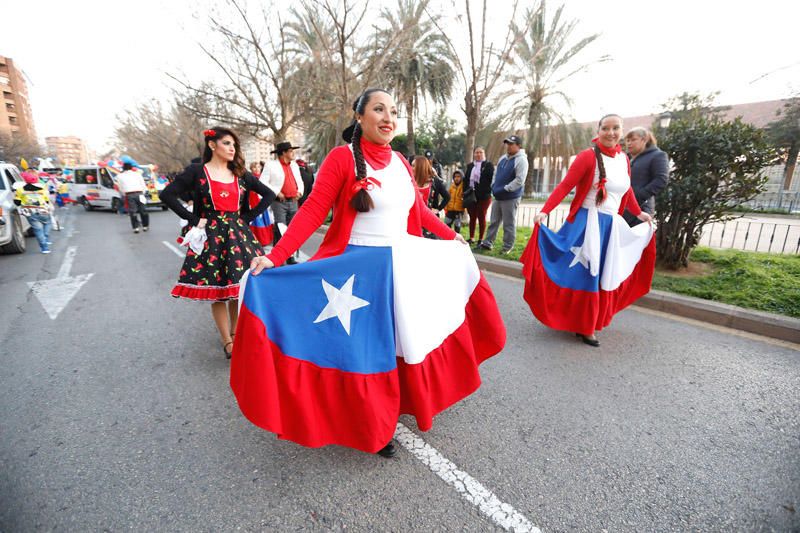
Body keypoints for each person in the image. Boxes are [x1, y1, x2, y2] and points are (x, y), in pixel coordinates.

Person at [232, 89, 506, 458]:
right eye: (379, 109)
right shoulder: (341, 158)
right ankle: (375, 425)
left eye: (393, 111)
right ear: (359, 116)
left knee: (400, 343)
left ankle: (396, 407)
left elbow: (419, 214)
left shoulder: (401, 163)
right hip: (358, 272)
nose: (388, 117)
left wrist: (450, 234)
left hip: (402, 267)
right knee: (368, 353)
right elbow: (313, 210)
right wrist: (276, 257)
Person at [520, 114, 655, 347]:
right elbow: (565, 185)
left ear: (621, 131)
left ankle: (587, 322)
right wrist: (545, 210)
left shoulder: (623, 159)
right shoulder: (587, 157)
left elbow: (626, 191)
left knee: (602, 274)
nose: (611, 133)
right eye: (606, 128)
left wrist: (639, 213)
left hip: (610, 226)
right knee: (586, 275)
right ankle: (586, 326)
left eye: (616, 128)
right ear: (599, 130)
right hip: (587, 223)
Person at [159, 127, 276, 358]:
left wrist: (247, 218)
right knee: (219, 290)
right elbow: (167, 195)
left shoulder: (241, 173)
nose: (232, 148)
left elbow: (269, 194)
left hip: (238, 236)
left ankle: (236, 333)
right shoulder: (197, 171)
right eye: (227, 143)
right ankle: (227, 341)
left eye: (234, 145)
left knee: (236, 287)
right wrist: (193, 219)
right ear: (212, 145)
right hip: (211, 237)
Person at [478, 135, 528, 254]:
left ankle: (507, 247)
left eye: (511, 144)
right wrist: (494, 186)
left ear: (519, 146)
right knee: (494, 221)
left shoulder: (521, 160)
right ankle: (487, 243)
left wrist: (506, 189)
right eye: (507, 144)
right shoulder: (503, 158)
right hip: (498, 195)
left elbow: (520, 180)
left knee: (508, 223)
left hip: (511, 197)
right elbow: (496, 174)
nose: (508, 146)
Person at [265, 141, 304, 264]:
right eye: (291, 151)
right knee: (280, 229)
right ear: (283, 153)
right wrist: (277, 192)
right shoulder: (271, 165)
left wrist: (300, 192)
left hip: (293, 201)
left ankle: (290, 256)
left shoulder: (294, 166)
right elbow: (263, 182)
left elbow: (299, 181)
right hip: (279, 202)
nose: (293, 153)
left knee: (291, 230)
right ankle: (278, 258)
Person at [622, 127, 670, 227]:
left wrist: (638, 196)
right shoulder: (625, 158)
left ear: (644, 140)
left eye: (633, 140)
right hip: (622, 209)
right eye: (627, 140)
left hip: (641, 210)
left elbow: (661, 179)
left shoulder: (658, 155)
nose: (629, 143)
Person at [13, 171, 53, 254]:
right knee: (47, 223)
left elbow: (17, 202)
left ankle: (44, 248)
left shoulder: (20, 190)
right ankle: (46, 237)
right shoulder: (43, 188)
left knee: (38, 230)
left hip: (30, 212)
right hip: (43, 210)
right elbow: (47, 200)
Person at [464, 146, 494, 245]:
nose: (478, 154)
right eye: (476, 152)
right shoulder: (470, 166)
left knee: (481, 216)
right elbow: (466, 181)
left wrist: (487, 191)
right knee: (472, 217)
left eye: (480, 152)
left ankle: (481, 239)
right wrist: (464, 193)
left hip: (484, 196)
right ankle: (471, 237)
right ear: (474, 154)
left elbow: (491, 180)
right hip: (471, 195)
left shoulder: (488, 165)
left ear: (484, 154)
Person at [116, 162, 150, 233]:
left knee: (133, 211)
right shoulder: (138, 174)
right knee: (143, 210)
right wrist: (142, 193)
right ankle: (145, 226)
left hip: (129, 194)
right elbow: (143, 185)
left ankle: (136, 228)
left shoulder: (119, 176)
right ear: (131, 167)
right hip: (140, 193)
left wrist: (124, 193)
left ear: (123, 168)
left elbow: (120, 187)